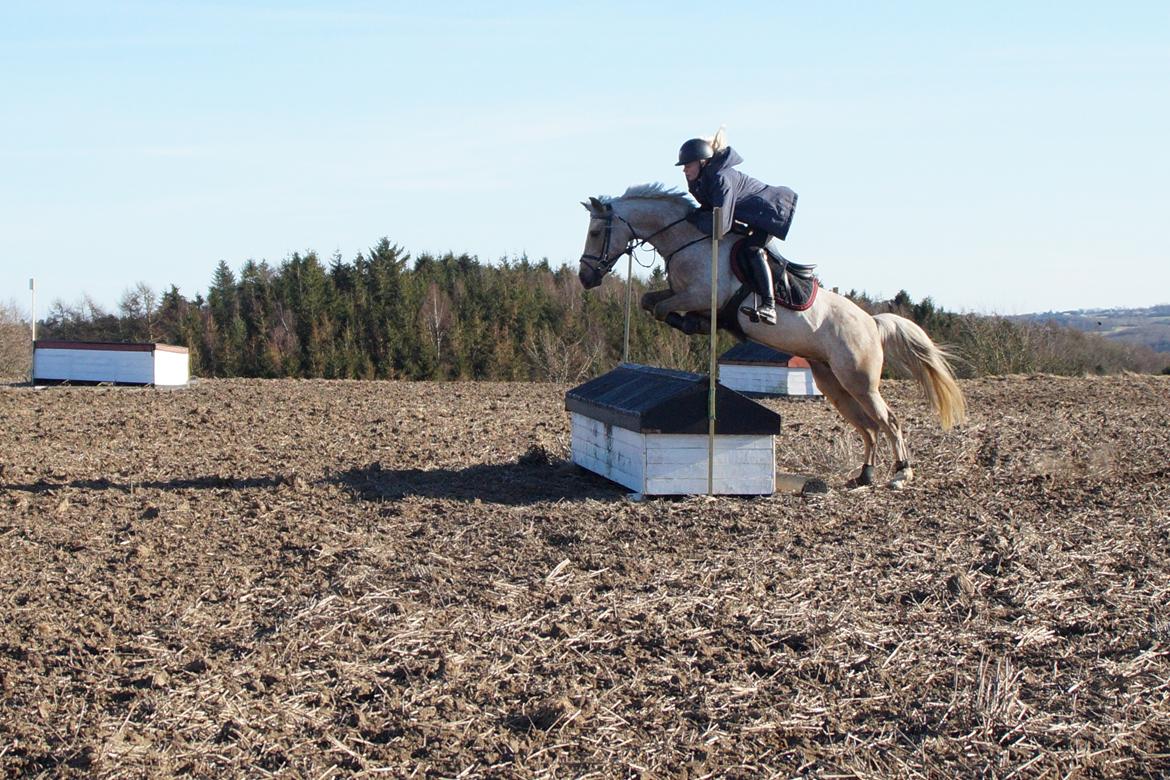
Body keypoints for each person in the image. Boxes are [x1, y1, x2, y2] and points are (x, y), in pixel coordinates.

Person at [677, 135, 797, 324]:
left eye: (688, 165)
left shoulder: (721, 178)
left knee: (752, 250)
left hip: (769, 211)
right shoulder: (699, 180)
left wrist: (697, 220)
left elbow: (720, 227)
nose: (684, 169)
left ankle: (769, 306)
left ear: (702, 162)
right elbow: (710, 208)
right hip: (746, 214)